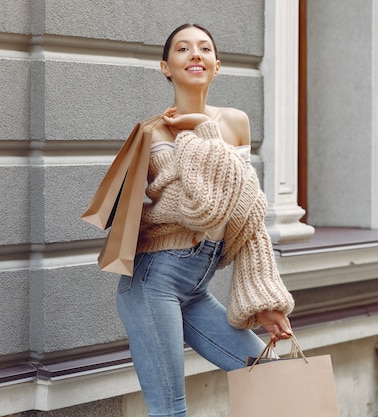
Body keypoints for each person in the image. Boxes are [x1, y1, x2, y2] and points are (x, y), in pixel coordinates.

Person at [116, 23, 295, 417]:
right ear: (166, 67)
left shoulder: (234, 122)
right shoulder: (150, 133)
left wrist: (265, 299)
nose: (195, 54)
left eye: (204, 48)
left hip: (197, 286)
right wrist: (200, 134)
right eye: (182, 49)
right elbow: (199, 206)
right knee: (170, 410)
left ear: (217, 65)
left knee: (271, 376)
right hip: (153, 283)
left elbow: (247, 209)